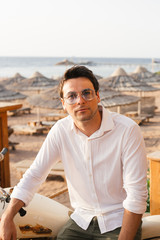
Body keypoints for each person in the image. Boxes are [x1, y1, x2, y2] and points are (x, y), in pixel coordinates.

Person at [0, 65, 148, 240]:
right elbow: (34, 175)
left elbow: (136, 195)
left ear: (98, 96)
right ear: (63, 104)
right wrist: (7, 217)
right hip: (81, 221)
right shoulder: (60, 131)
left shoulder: (127, 130)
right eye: (71, 96)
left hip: (119, 221)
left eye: (87, 93)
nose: (80, 100)